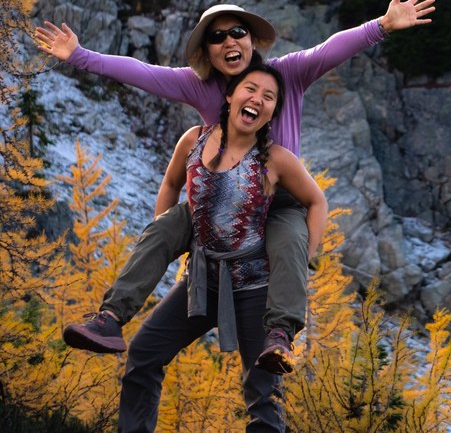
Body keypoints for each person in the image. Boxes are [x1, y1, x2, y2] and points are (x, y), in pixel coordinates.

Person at [35, 0, 435, 373]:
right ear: (208, 52)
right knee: (165, 228)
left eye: (237, 32)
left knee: (289, 237)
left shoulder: (285, 75)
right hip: (218, 199)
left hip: (276, 200)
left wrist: (381, 25)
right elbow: (142, 73)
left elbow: (330, 49)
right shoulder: (200, 86)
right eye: (217, 36)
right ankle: (109, 318)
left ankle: (280, 333)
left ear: (251, 39)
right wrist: (80, 56)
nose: (229, 40)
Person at [118, 60, 326, 432]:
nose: (257, 100)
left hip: (255, 289)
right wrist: (169, 234)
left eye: (269, 97)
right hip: (201, 282)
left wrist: (302, 259)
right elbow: (170, 185)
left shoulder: (277, 159)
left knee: (263, 395)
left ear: (273, 113)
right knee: (144, 354)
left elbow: (316, 201)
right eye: (250, 89)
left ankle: (280, 336)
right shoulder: (195, 138)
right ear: (229, 96)